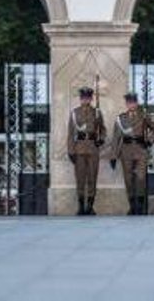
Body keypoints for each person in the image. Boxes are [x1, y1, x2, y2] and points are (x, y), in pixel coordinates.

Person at [109, 92, 154, 215]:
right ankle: (132, 206)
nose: (132, 105)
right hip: (126, 150)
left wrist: (149, 141)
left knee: (141, 178)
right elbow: (116, 138)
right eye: (129, 102)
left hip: (141, 150)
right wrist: (113, 156)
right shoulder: (121, 118)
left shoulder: (144, 116)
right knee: (128, 179)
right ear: (126, 104)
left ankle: (140, 205)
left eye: (133, 102)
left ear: (136, 103)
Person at [67, 86, 106, 215]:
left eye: (88, 97)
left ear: (91, 98)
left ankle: (90, 206)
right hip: (79, 149)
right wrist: (71, 150)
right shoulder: (74, 113)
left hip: (93, 148)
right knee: (80, 178)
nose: (85, 100)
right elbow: (70, 133)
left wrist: (101, 139)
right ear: (80, 98)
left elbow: (103, 129)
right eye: (83, 97)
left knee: (92, 178)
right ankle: (80, 206)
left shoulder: (97, 112)